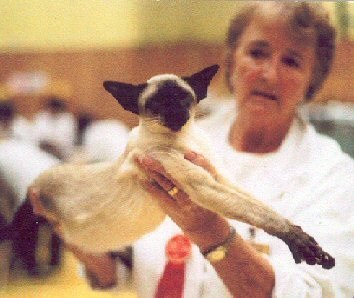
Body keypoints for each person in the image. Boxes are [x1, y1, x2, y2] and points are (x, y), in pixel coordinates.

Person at [30, 2, 354, 297]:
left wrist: (214, 235)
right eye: (257, 53)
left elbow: (322, 292)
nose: (269, 74)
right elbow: (121, 268)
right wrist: (77, 232)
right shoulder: (156, 143)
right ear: (231, 61)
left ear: (314, 80)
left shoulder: (335, 178)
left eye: (292, 61)